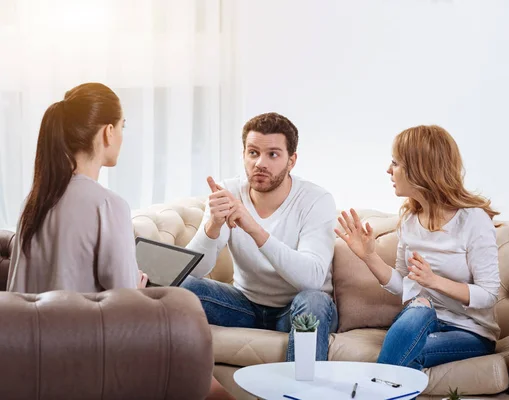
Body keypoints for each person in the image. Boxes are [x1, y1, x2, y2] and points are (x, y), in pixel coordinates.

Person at [7, 82, 233, 400]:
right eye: (122, 127)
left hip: (26, 360)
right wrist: (138, 288)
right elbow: (127, 308)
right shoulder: (107, 204)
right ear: (108, 132)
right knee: (206, 382)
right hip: (85, 355)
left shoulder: (34, 202)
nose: (123, 137)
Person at [336, 125, 500, 370]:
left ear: (421, 169)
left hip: (468, 331)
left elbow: (489, 295)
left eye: (396, 163)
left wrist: (434, 281)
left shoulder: (473, 220)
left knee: (407, 347)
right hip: (419, 321)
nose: (389, 170)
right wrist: (369, 256)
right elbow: (404, 284)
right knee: (419, 307)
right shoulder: (410, 220)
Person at [182, 112, 338, 361]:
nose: (260, 163)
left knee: (314, 302)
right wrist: (212, 225)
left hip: (295, 309)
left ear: (292, 160)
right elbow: (192, 272)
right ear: (244, 154)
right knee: (180, 286)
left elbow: (312, 280)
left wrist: (253, 228)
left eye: (273, 154)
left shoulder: (316, 200)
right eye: (253, 153)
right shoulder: (229, 191)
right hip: (244, 306)